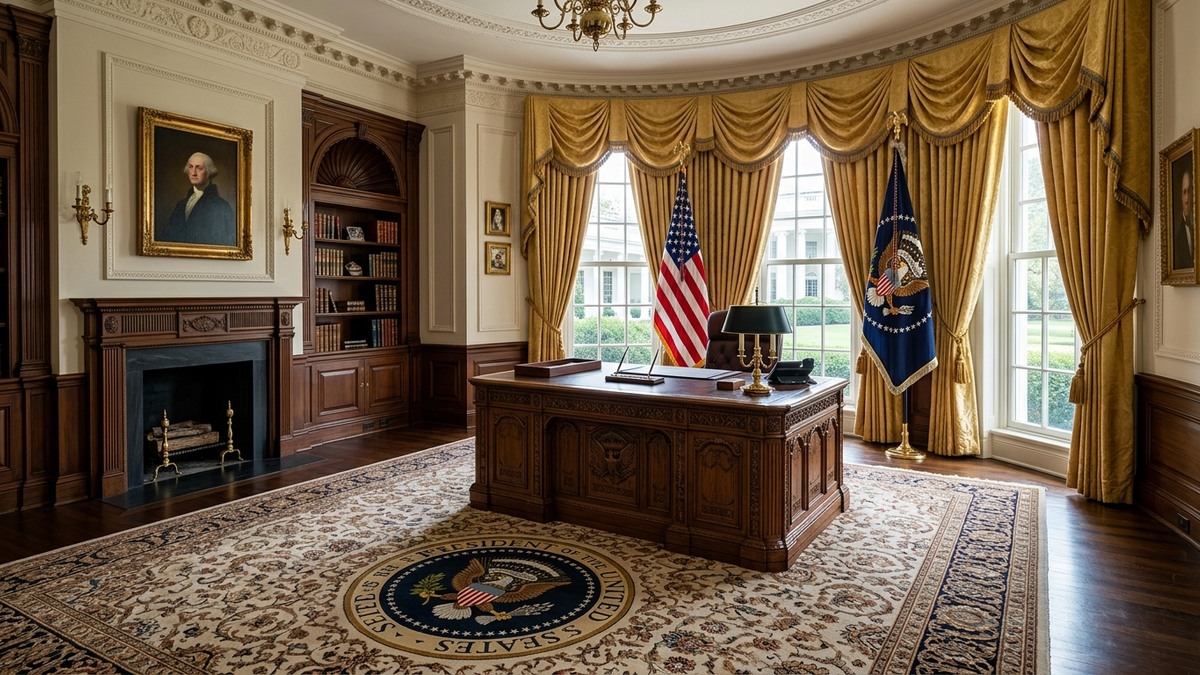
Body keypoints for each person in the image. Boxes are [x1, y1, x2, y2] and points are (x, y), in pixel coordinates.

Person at [158, 152, 236, 246]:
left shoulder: (221, 206)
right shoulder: (181, 205)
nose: (193, 173)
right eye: (190, 167)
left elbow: (224, 242)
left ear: (209, 172)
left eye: (199, 168)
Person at [1175, 168, 1195, 271]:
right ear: (1181, 197)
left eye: (1189, 192)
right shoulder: (1177, 237)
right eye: (1184, 192)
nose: (1187, 199)